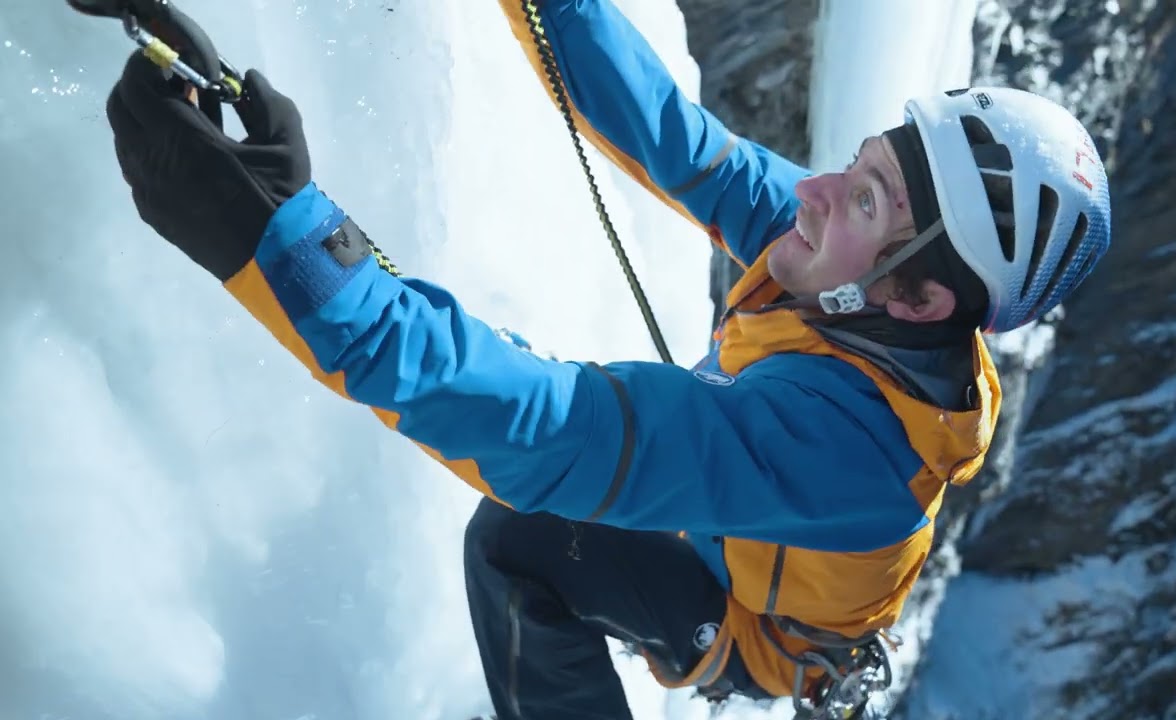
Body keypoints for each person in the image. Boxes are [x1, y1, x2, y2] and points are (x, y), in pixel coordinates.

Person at [102, 0, 1112, 717]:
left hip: (751, 630)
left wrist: (283, 248)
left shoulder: (843, 455)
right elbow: (676, 139)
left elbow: (555, 433)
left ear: (920, 299)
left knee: (513, 549)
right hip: (751, 532)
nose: (814, 190)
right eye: (860, 161)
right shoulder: (852, 268)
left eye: (863, 199)